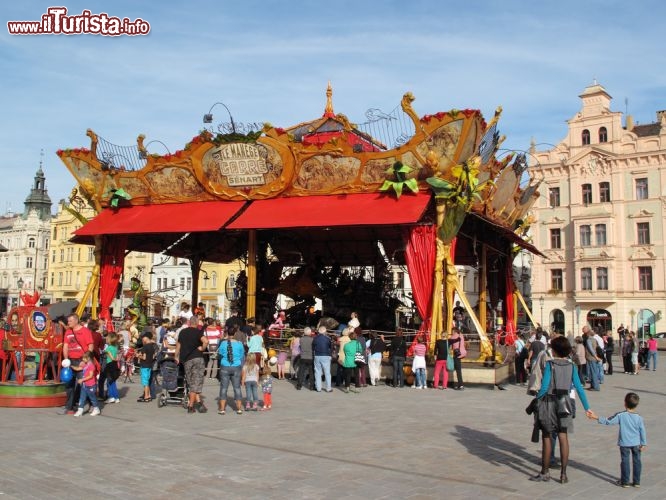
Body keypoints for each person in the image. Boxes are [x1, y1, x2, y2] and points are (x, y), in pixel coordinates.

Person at [530, 336, 593, 484]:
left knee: (547, 437)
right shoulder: (572, 366)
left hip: (550, 403)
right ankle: (563, 474)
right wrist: (587, 408)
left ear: (555, 350)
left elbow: (544, 387)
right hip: (566, 403)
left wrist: (536, 400)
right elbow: (579, 388)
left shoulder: (550, 365)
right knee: (563, 437)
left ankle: (545, 472)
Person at [588, 392, 647, 488]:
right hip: (636, 443)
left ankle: (625, 481)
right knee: (637, 461)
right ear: (636, 405)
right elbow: (642, 430)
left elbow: (609, 421)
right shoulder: (639, 417)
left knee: (625, 461)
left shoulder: (620, 415)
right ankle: (637, 481)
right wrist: (643, 443)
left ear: (625, 403)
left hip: (624, 443)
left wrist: (596, 417)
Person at [59, 313, 94, 415]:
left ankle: (87, 403)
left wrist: (85, 360)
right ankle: (69, 406)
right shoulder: (68, 332)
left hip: (81, 360)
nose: (68, 323)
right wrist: (66, 360)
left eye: (70, 321)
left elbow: (90, 346)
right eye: (68, 321)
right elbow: (65, 346)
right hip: (71, 360)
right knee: (69, 384)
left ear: (76, 321)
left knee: (82, 383)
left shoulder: (85, 331)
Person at [175, 317, 208, 413]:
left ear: (189, 322)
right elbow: (206, 341)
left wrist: (176, 356)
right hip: (197, 358)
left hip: (186, 360)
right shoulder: (198, 332)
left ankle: (199, 403)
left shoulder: (182, 332)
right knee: (196, 383)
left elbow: (178, 346)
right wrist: (202, 348)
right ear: (197, 323)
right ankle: (191, 406)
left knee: (191, 383)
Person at [217, 328, 245, 415]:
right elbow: (241, 355)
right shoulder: (239, 344)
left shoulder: (223, 343)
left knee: (224, 388)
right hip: (236, 366)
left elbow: (220, 354)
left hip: (225, 366)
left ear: (227, 333)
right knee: (237, 388)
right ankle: (239, 408)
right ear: (235, 333)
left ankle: (222, 409)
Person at [73, 351, 101, 417]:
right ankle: (80, 410)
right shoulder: (85, 364)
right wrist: (70, 366)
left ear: (88, 358)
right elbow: (78, 368)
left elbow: (91, 376)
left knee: (92, 398)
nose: (83, 359)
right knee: (82, 398)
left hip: (91, 385)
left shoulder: (91, 365)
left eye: (84, 358)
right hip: (85, 385)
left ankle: (96, 409)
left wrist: (82, 379)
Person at [136, 332, 157, 402]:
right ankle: (149, 395)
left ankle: (146, 396)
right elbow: (153, 356)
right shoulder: (152, 346)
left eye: (143, 338)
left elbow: (144, 357)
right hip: (149, 365)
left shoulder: (145, 347)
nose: (142, 339)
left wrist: (138, 355)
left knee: (145, 383)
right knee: (147, 381)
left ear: (146, 338)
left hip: (144, 365)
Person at [312, 326, 333, 392]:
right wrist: (330, 355)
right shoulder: (328, 338)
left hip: (317, 356)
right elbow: (330, 347)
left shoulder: (315, 338)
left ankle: (318, 388)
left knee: (317, 372)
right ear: (325, 331)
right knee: (327, 372)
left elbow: (313, 347)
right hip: (326, 356)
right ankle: (328, 388)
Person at [104, 333, 121, 403]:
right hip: (115, 365)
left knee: (109, 382)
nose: (106, 340)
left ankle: (111, 397)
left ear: (110, 340)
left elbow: (112, 358)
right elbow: (117, 358)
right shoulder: (116, 348)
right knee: (113, 382)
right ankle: (116, 397)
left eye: (107, 339)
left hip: (110, 365)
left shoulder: (108, 349)